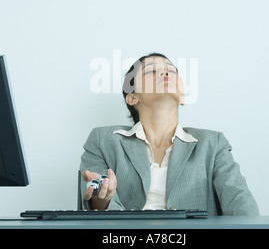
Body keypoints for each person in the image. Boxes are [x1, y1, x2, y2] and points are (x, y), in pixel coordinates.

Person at [79, 52, 259, 215]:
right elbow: (96, 207)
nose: (165, 73)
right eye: (150, 71)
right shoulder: (103, 140)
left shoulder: (213, 144)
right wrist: (104, 198)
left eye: (171, 71)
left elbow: (242, 206)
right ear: (132, 97)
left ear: (182, 97)